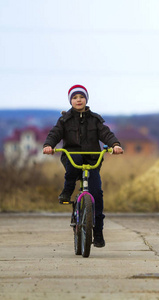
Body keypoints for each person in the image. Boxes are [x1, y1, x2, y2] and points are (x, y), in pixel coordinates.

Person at [43, 84, 123, 247]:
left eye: (81, 97)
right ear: (70, 101)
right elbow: (55, 133)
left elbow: (106, 133)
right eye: (74, 97)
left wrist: (114, 144)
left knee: (97, 194)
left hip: (93, 158)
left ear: (86, 99)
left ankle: (98, 233)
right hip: (72, 156)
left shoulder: (95, 119)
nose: (78, 100)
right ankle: (67, 190)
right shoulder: (65, 120)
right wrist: (49, 145)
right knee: (76, 160)